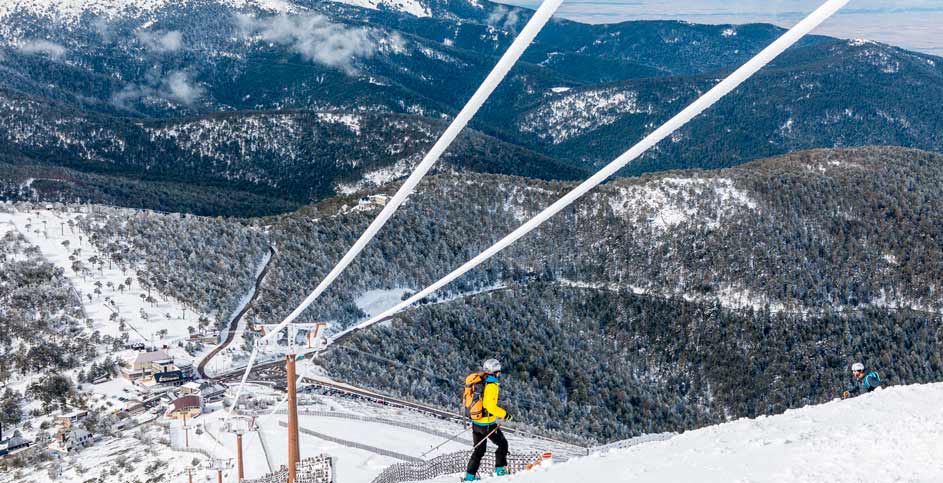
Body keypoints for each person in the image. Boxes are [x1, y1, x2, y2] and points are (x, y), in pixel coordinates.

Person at [464, 358, 511, 481]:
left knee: (479, 450)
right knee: (503, 444)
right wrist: (505, 415)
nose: (499, 374)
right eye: (498, 371)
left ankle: (470, 477)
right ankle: (500, 470)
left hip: (476, 422)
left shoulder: (479, 381)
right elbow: (489, 406)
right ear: (495, 372)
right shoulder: (491, 385)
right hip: (487, 424)